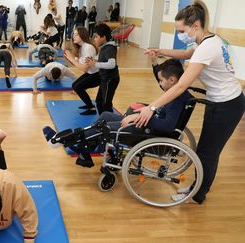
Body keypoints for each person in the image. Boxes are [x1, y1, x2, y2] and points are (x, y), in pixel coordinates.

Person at [136, 0, 245, 204]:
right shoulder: (208, 40)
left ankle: (198, 194)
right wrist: (159, 51)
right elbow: (186, 54)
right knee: (206, 150)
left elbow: (179, 86)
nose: (180, 35)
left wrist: (151, 108)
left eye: (181, 30)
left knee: (208, 152)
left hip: (227, 105)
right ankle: (198, 188)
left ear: (195, 26)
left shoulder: (207, 48)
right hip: (223, 102)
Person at [43, 58, 192, 168]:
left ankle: (64, 141)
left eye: (161, 80)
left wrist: (140, 116)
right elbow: (163, 101)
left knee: (103, 128)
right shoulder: (174, 90)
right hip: (145, 123)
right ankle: (85, 148)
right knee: (105, 116)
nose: (159, 84)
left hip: (149, 131)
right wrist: (154, 63)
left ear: (172, 80)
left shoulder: (178, 98)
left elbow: (167, 126)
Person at [63, 27, 99, 115]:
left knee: (78, 87)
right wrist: (71, 58)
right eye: (73, 34)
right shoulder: (82, 47)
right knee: (75, 85)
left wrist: (72, 59)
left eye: (76, 35)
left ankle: (91, 109)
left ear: (82, 35)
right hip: (91, 73)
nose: (73, 37)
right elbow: (80, 64)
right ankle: (89, 104)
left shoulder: (88, 47)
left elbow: (84, 68)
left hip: (98, 75)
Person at [85, 23, 120, 114]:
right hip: (105, 79)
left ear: (103, 37)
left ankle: (109, 123)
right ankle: (103, 120)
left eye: (96, 37)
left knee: (106, 104)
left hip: (110, 79)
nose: (94, 39)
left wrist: (95, 64)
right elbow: (104, 60)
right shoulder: (105, 47)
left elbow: (112, 64)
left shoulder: (109, 48)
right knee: (99, 102)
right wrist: (95, 60)